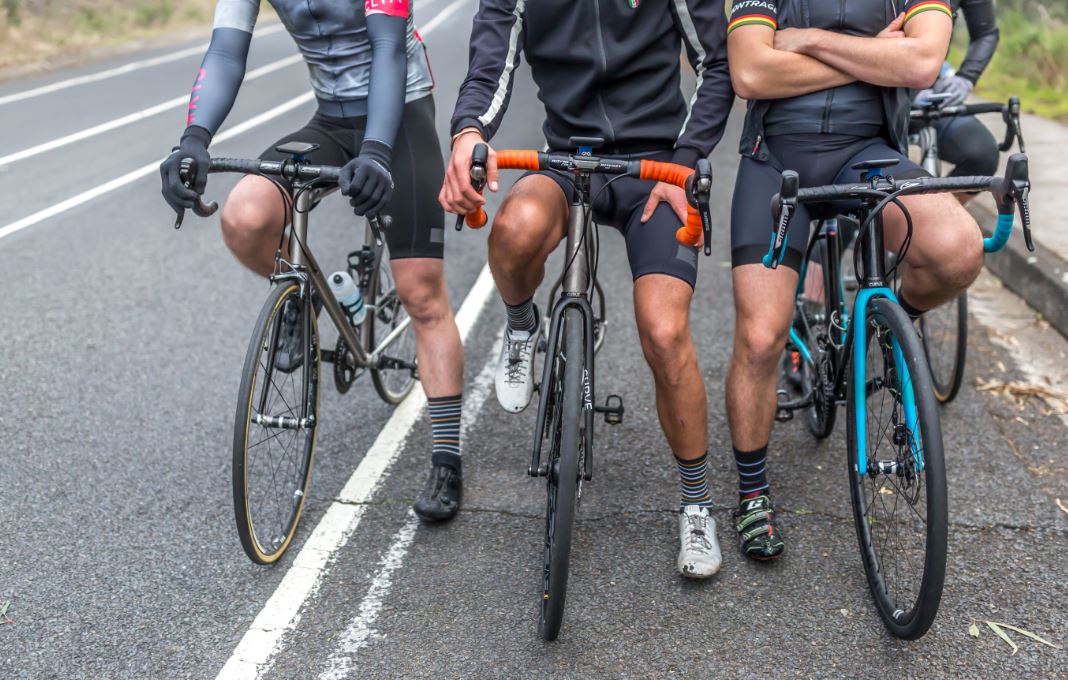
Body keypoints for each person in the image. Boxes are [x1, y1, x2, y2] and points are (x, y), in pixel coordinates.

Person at [439, 0, 733, 578]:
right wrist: (468, 133)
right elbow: (488, 67)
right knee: (515, 229)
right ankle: (523, 324)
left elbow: (717, 63)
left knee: (665, 330)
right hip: (567, 157)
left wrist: (689, 156)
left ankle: (696, 503)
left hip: (658, 168)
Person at [158, 0, 466, 523]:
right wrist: (193, 140)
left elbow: (387, 48)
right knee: (245, 216)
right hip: (330, 118)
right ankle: (305, 300)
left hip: (400, 115)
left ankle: (446, 458)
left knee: (421, 294)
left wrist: (376, 152)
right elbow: (227, 52)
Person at [725, 0, 983, 559]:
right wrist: (876, 57)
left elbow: (920, 65)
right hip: (774, 160)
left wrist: (806, 39)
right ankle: (751, 492)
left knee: (958, 249)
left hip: (868, 155)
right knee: (760, 338)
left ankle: (895, 324)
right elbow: (749, 72)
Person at [921, 0, 1001, 190]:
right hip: (873, 93)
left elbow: (986, 33)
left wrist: (966, 77)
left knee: (982, 155)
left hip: (929, 93)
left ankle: (941, 216)